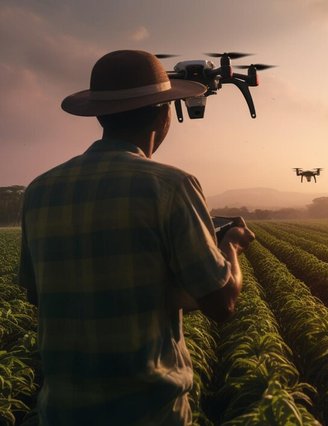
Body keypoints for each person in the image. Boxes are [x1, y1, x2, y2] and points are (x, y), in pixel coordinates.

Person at [18, 50, 255, 425]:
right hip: (149, 413)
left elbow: (36, 293)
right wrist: (232, 245)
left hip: (60, 412)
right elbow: (221, 303)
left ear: (99, 114)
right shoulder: (171, 186)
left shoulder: (39, 191)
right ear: (164, 113)